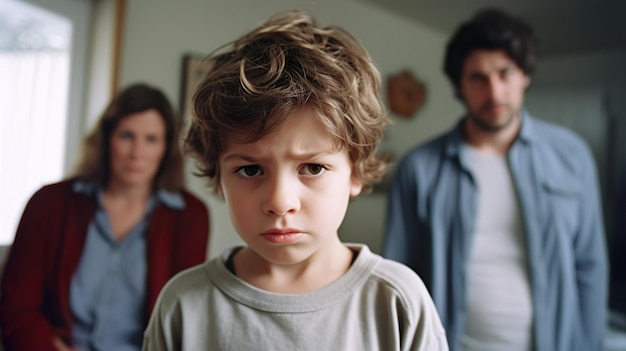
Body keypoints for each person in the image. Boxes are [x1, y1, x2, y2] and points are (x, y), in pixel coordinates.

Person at [142, 10, 448, 351]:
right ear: (218, 178)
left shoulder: (396, 301)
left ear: (356, 172)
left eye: (313, 168)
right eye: (250, 169)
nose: (279, 201)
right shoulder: (183, 305)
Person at [382, 8, 608, 351]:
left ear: (524, 75)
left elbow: (590, 265)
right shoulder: (419, 168)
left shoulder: (571, 155)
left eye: (505, 73)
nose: (494, 90)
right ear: (459, 86)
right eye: (477, 77)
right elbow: (397, 273)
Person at [0, 83, 210, 351]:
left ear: (166, 148)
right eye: (126, 136)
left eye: (151, 139)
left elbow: (186, 319)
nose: (137, 152)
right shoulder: (47, 204)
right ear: (107, 138)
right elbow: (17, 310)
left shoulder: (190, 216)